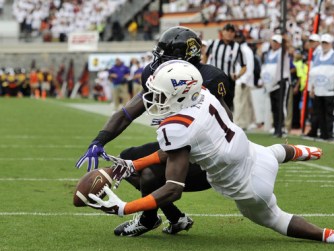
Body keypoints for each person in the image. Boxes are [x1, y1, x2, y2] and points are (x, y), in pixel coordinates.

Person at [87, 60, 334, 245]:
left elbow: (173, 188)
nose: (153, 99)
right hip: (255, 154)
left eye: (160, 94)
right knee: (272, 152)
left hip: (248, 187)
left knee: (276, 219)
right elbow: (174, 151)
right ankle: (300, 151)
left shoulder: (176, 127)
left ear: (180, 93)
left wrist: (125, 207)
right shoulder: (203, 93)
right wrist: (134, 164)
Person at [76, 26, 232, 237]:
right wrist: (99, 140)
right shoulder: (157, 73)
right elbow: (127, 112)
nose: (159, 63)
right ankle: (176, 218)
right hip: (177, 145)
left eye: (166, 58)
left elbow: (227, 125)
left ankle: (148, 219)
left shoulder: (210, 78)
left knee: (149, 175)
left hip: (207, 153)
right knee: (126, 160)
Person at [308, 34, 334, 141]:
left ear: (331, 44)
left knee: (330, 112)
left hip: (330, 88)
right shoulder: (317, 57)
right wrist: (312, 88)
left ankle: (332, 134)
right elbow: (314, 74)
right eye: (323, 43)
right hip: (319, 89)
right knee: (320, 112)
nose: (324, 45)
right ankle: (324, 134)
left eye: (326, 43)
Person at [203, 23, 247, 110]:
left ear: (234, 34)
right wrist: (204, 68)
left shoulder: (237, 47)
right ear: (222, 32)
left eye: (232, 31)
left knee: (227, 106)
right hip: (213, 79)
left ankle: (226, 123)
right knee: (212, 104)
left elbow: (244, 66)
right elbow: (205, 55)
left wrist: (238, 75)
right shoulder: (213, 43)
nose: (229, 33)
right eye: (227, 30)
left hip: (228, 81)